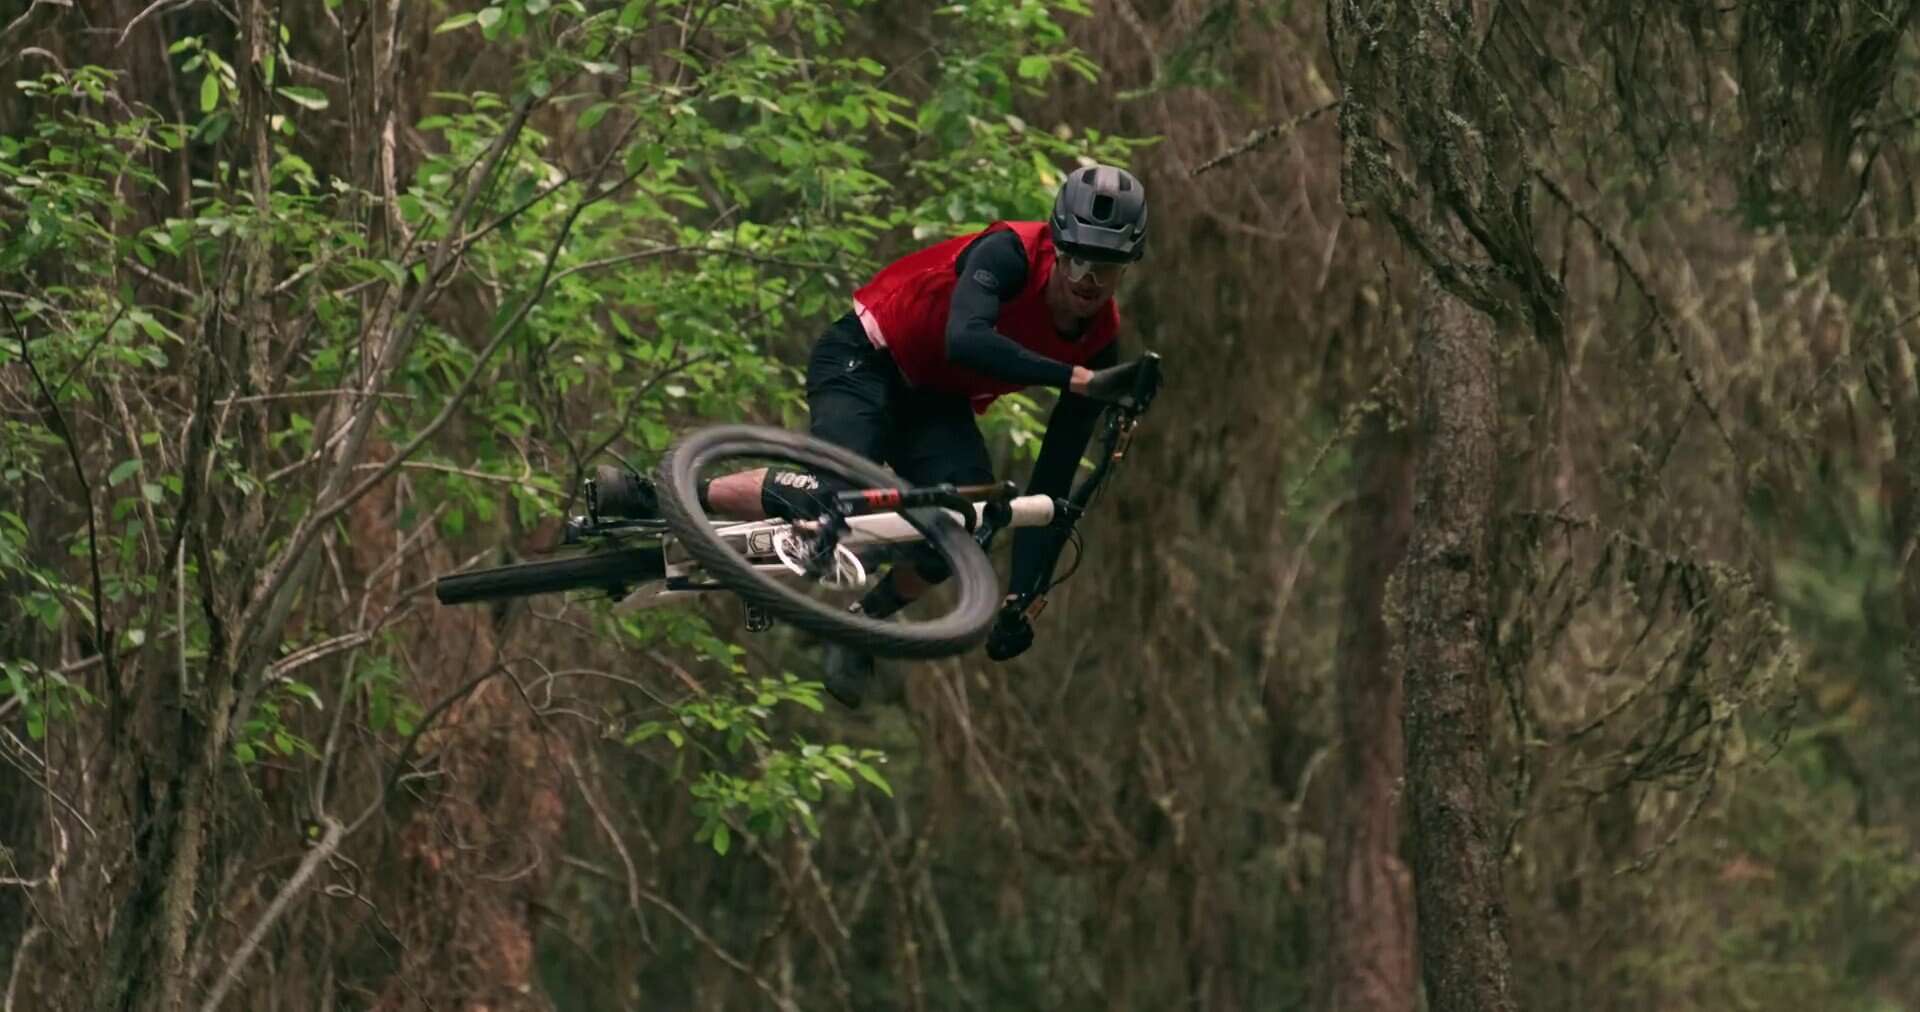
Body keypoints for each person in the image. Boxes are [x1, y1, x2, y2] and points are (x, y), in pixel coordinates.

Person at [594, 163, 1152, 706]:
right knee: (831, 492)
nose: (1084, 280)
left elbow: (1053, 480)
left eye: (1103, 268)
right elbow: (966, 338)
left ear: (1126, 268)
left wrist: (1022, 595)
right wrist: (1072, 378)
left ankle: (862, 626)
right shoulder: (1007, 254)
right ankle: (657, 496)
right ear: (1055, 244)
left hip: (935, 401)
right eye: (1075, 259)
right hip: (866, 356)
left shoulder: (1101, 341)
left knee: (966, 520)